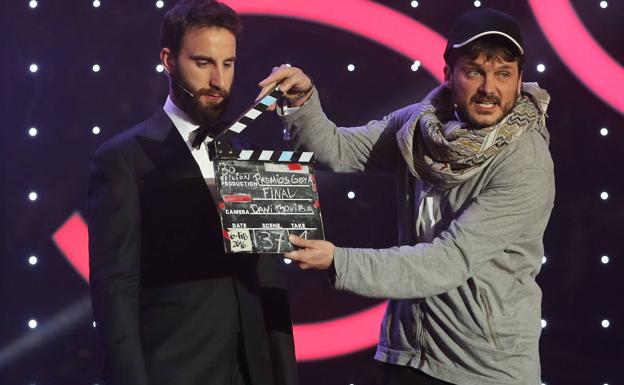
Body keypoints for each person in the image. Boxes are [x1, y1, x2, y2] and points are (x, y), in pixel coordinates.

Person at [259, 8, 554, 385]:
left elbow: (448, 260)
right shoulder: (417, 126)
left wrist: (339, 261)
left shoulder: (525, 162)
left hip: (483, 370)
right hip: (407, 354)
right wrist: (302, 103)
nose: (488, 88)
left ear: (519, 81)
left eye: (502, 74)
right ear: (449, 74)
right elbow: (335, 149)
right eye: (474, 70)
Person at [87, 1, 298, 385]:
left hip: (253, 371)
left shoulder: (246, 153)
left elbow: (269, 277)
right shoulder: (122, 159)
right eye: (203, 63)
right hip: (175, 369)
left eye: (228, 64)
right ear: (168, 60)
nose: (219, 80)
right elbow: (114, 290)